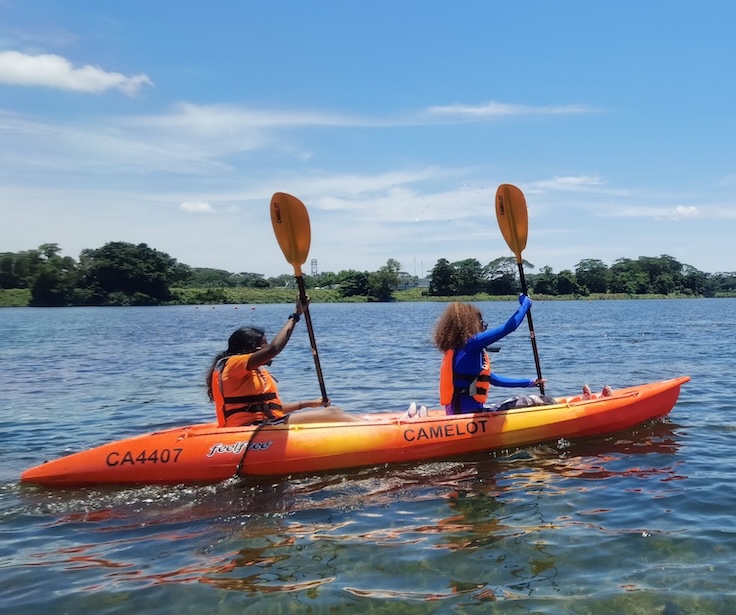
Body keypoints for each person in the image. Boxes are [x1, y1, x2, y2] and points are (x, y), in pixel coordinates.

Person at [206, 297, 365, 427]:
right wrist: (295, 316)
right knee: (333, 413)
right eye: (264, 346)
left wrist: (310, 403)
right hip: (250, 427)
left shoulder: (252, 371)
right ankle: (376, 433)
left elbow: (274, 408)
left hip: (266, 422)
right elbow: (274, 348)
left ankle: (369, 428)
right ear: (251, 348)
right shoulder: (233, 364)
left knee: (335, 413)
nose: (267, 350)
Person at [433, 296, 550, 415]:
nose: (483, 328)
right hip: (472, 414)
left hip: (456, 413)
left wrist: (530, 382)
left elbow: (494, 380)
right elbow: (509, 327)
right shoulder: (472, 344)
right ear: (472, 325)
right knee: (539, 400)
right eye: (482, 324)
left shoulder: (456, 350)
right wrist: (526, 305)